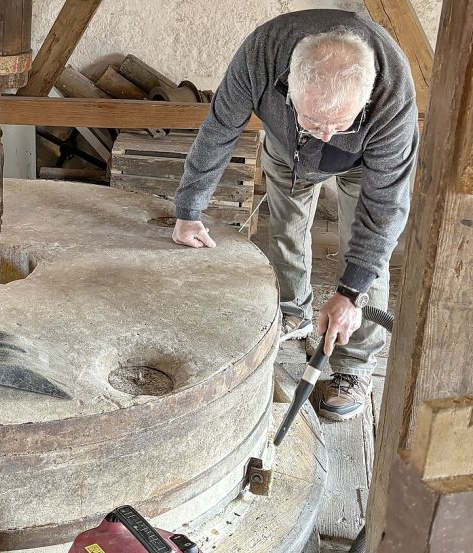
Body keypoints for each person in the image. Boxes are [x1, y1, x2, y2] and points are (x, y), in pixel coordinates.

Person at [171, 10, 418, 421]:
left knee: (363, 258)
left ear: (367, 96)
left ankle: (352, 365)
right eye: (312, 119)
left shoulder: (392, 92)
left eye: (337, 123)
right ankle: (295, 315)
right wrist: (188, 209)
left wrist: (351, 292)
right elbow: (220, 129)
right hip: (287, 153)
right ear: (289, 83)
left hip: (363, 165)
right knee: (286, 229)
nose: (324, 132)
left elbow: (385, 208)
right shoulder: (261, 54)